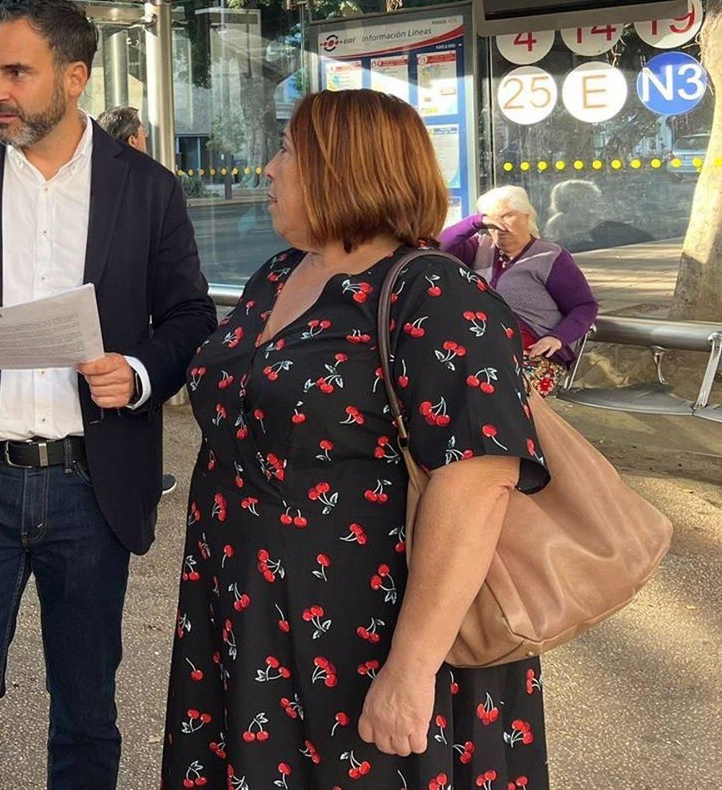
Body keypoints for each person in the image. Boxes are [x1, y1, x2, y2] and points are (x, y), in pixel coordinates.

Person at [0, 0, 216, 788]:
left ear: (74, 76)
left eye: (15, 72)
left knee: (88, 714)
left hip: (92, 485)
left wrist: (135, 374)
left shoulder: (148, 189)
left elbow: (193, 315)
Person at [162, 89, 551, 788]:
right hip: (245, 624)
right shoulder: (279, 275)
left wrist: (411, 669)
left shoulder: (435, 293)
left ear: (347, 169)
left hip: (367, 639)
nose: (270, 170)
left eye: (288, 151)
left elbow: (478, 483)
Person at [441, 186, 599, 396]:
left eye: (507, 216)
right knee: (439, 382)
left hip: (535, 354)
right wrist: (476, 222)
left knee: (498, 393)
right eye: (491, 220)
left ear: (526, 217)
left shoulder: (550, 256)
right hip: (483, 351)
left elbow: (584, 306)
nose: (500, 226)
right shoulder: (479, 247)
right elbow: (439, 246)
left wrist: (557, 338)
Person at [98, 106, 178, 497]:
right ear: (133, 140)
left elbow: (187, 308)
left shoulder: (155, 187)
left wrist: (142, 374)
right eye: (143, 134)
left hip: (122, 387)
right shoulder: (152, 187)